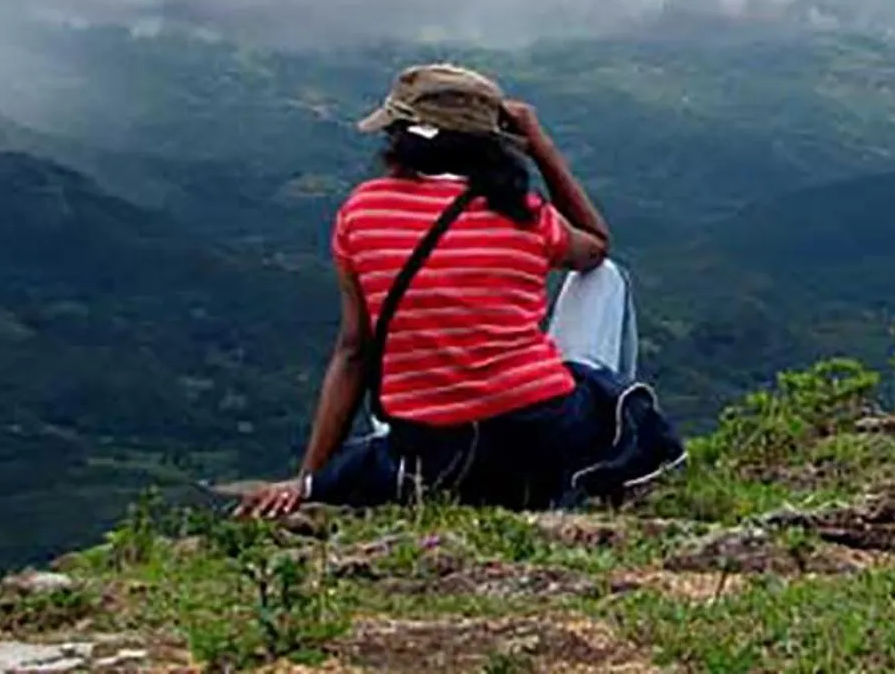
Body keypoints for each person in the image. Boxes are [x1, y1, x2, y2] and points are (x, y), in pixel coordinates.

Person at [234, 62, 618, 519]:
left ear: (398, 138)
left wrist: (312, 480)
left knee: (405, 414)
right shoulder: (525, 213)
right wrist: (542, 148)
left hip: (432, 453)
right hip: (539, 440)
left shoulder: (361, 211)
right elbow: (595, 244)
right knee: (608, 280)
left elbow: (355, 351)